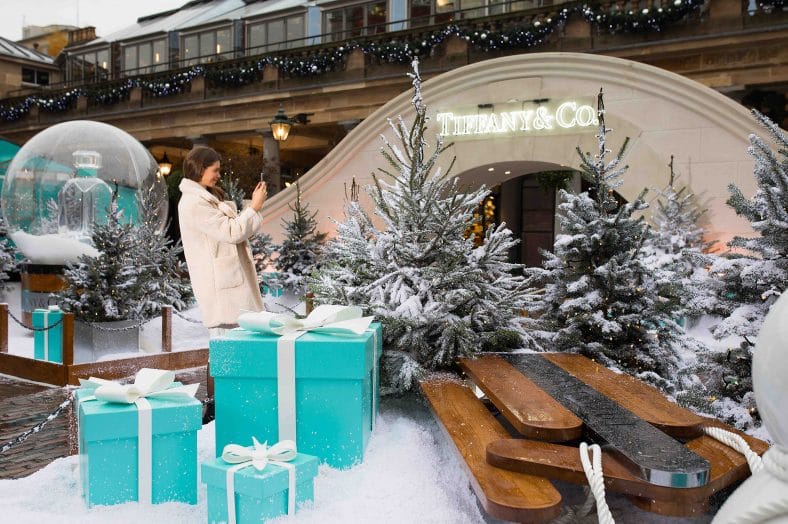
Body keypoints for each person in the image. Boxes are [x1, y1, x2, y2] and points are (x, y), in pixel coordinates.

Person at [178, 146, 268, 338]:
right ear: (200, 169)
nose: (219, 175)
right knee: (226, 353)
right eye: (215, 170)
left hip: (228, 286)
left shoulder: (206, 198)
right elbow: (231, 231)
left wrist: (255, 208)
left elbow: (235, 230)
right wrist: (254, 206)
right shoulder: (194, 203)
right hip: (221, 290)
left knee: (235, 350)